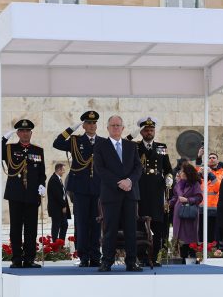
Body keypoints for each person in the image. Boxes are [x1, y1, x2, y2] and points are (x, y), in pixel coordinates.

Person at [0, 119, 47, 268]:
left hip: (32, 196)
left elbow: (42, 173)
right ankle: (16, 259)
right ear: (18, 133)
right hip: (15, 195)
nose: (25, 133)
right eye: (22, 131)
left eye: (27, 131)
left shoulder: (38, 150)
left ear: (31, 133)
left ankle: (29, 258)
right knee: (16, 228)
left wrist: (42, 185)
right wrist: (4, 138)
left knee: (31, 229)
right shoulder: (9, 149)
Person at [93, 116, 143, 272]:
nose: (115, 128)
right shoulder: (101, 146)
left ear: (123, 128)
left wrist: (129, 181)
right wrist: (119, 182)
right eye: (112, 125)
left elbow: (138, 167)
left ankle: (131, 262)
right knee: (110, 230)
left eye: (118, 125)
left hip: (130, 192)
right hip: (111, 193)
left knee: (130, 229)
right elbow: (100, 169)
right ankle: (107, 261)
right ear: (107, 128)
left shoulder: (131, 146)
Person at [53, 110, 101, 267]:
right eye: (88, 123)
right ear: (84, 125)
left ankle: (95, 256)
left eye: (94, 123)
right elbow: (57, 143)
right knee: (81, 223)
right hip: (80, 188)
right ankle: (84, 255)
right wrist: (71, 129)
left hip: (98, 188)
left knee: (96, 223)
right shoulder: (75, 141)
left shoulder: (103, 142)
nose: (92, 125)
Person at [132, 116, 173, 267]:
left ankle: (154, 256)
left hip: (156, 191)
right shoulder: (134, 147)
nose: (149, 132)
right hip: (140, 189)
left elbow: (168, 169)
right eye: (146, 130)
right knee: (140, 224)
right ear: (141, 132)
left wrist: (169, 178)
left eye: (151, 129)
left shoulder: (161, 147)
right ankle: (141, 257)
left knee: (157, 225)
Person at [169, 163, 203, 259]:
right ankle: (182, 258)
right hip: (178, 214)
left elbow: (199, 198)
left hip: (189, 214)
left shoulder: (195, 184)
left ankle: (192, 258)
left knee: (190, 237)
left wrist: (188, 200)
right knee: (180, 239)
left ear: (187, 173)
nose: (180, 173)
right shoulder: (178, 184)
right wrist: (169, 204)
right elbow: (176, 197)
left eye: (182, 171)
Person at [203, 153, 223, 244]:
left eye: (214, 157)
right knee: (206, 233)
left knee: (216, 233)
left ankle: (216, 250)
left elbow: (219, 188)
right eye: (209, 158)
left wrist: (211, 175)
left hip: (217, 207)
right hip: (204, 207)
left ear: (217, 160)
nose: (211, 159)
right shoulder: (203, 172)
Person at [47, 162, 70, 241]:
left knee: (64, 225)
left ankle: (60, 243)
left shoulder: (58, 179)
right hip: (56, 209)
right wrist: (64, 206)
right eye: (63, 170)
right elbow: (58, 196)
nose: (64, 172)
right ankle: (55, 245)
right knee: (56, 227)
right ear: (59, 170)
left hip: (60, 208)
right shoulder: (54, 180)